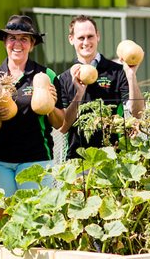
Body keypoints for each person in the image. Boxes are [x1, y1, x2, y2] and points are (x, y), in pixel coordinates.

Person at [0, 15, 65, 196]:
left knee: (35, 217)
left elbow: (60, 123)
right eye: (12, 38)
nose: (17, 43)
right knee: (2, 216)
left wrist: (49, 106)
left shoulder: (46, 75)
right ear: (5, 42)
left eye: (24, 39)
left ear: (32, 44)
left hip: (36, 159)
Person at [57, 15, 144, 159]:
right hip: (79, 160)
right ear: (71, 39)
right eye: (81, 38)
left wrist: (131, 76)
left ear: (98, 37)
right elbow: (63, 127)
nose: (86, 42)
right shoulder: (64, 79)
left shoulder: (117, 71)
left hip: (114, 157)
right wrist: (79, 94)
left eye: (90, 36)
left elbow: (138, 112)